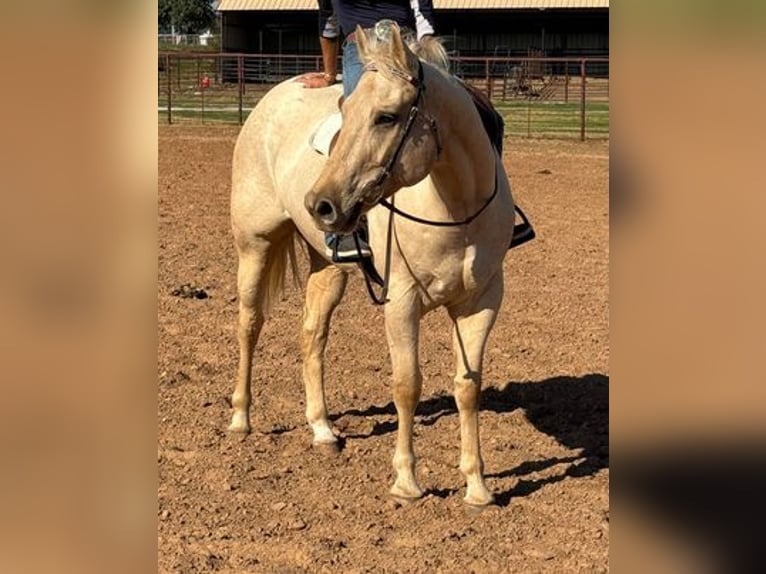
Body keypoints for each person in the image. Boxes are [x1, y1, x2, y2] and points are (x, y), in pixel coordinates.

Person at [298, 1, 437, 263]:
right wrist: (329, 75)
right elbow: (328, 21)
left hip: (406, 45)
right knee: (356, 125)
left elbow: (421, 4)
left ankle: (489, 206)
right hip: (360, 49)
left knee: (474, 112)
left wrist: (426, 45)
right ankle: (340, 231)